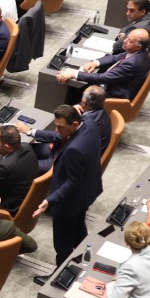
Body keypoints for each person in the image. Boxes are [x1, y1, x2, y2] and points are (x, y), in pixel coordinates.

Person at [33, 105, 104, 275]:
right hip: (87, 192)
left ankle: (61, 276)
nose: (57, 131)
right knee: (79, 229)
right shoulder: (90, 123)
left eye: (61, 127)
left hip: (69, 203)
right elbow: (84, 115)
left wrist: (49, 200)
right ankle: (83, 262)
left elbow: (71, 183)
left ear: (74, 124)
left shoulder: (74, 149)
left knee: (62, 244)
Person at [59, 28, 150, 102]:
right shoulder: (140, 52)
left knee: (73, 89)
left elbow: (103, 78)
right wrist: (95, 63)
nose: (125, 41)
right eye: (127, 37)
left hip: (114, 94)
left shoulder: (132, 63)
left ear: (139, 47)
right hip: (117, 83)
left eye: (130, 41)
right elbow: (116, 57)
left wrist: (74, 74)